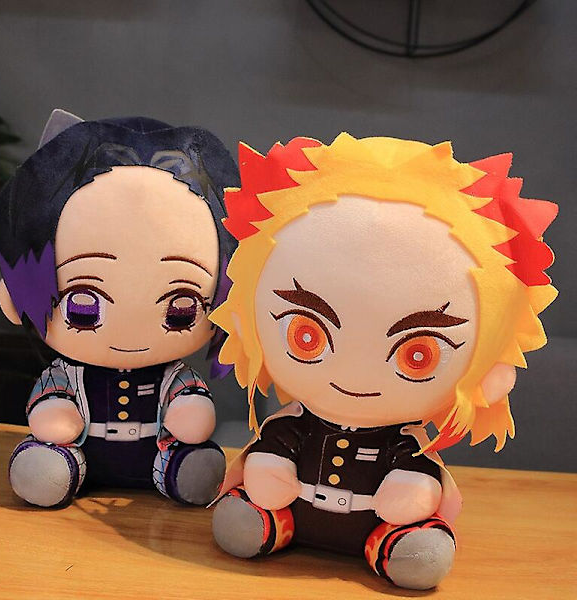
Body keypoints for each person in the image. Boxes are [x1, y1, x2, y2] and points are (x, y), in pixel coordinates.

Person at [210, 134, 558, 589]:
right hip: (292, 511)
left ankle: (392, 546)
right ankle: (269, 527)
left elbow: (417, 473)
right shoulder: (296, 425)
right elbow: (276, 447)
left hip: (376, 522)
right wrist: (269, 470)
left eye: (418, 355)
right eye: (307, 335)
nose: (356, 374)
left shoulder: (404, 443)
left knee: (417, 550)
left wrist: (411, 493)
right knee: (243, 518)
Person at [0, 110, 238, 508]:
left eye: (181, 310)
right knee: (45, 462)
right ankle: (53, 470)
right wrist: (54, 414)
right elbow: (50, 401)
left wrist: (189, 412)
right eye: (83, 308)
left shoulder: (173, 375)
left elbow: (190, 403)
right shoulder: (67, 374)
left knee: (194, 462)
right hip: (78, 450)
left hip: (158, 453)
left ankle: (181, 471)